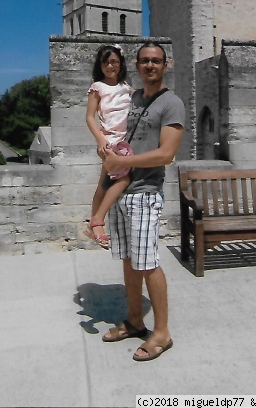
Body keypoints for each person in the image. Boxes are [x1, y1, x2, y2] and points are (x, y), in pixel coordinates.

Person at [101, 41, 185, 362]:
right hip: (121, 190)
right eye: (145, 61)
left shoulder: (172, 103)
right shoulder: (134, 98)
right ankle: (135, 321)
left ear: (166, 65)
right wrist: (108, 152)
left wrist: (125, 165)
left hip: (145, 194)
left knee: (148, 263)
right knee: (128, 261)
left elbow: (166, 154)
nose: (150, 65)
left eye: (156, 61)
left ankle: (161, 333)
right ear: (137, 65)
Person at [85, 44, 132, 249]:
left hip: (125, 142)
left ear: (120, 63)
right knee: (123, 179)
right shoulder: (98, 87)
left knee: (104, 184)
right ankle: (98, 221)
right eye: (106, 63)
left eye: (114, 61)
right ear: (100, 66)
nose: (110, 66)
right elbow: (89, 117)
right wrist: (101, 140)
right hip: (110, 142)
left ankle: (92, 224)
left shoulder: (125, 86)